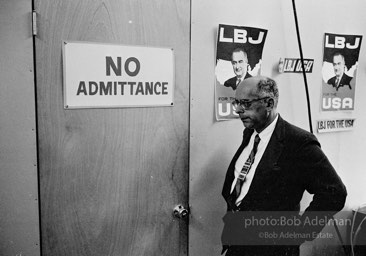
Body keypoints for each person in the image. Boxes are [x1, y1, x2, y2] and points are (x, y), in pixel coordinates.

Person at [221, 76, 347, 256]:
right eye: (237, 103)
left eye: (246, 103)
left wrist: (297, 233)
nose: (239, 110)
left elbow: (335, 192)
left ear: (269, 103)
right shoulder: (250, 133)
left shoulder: (298, 143)